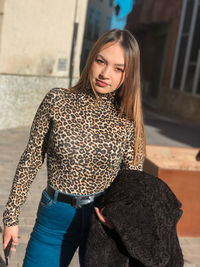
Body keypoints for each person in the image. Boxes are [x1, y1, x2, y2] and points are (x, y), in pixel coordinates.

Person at [3, 29, 146, 266]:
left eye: (118, 68)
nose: (105, 73)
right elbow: (30, 159)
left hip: (102, 224)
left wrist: (118, 219)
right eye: (101, 61)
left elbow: (131, 181)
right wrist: (11, 217)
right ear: (91, 59)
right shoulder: (57, 101)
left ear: (127, 75)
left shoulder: (128, 120)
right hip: (55, 217)